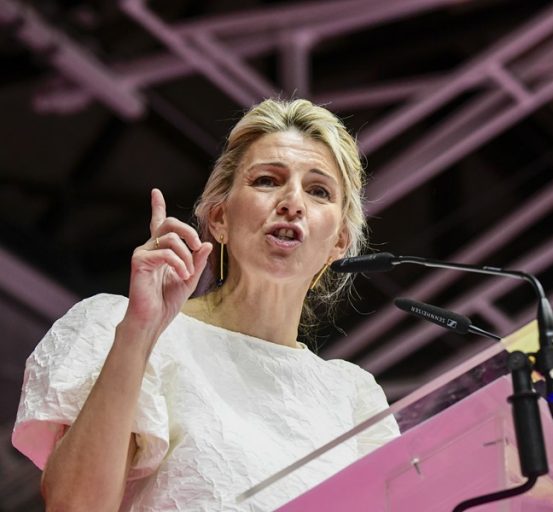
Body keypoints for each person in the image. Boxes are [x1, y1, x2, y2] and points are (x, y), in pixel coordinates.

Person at [12, 98, 400, 511]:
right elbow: (74, 506)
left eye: (318, 190)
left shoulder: (353, 396)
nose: (292, 202)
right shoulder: (124, 328)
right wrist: (140, 330)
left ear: (338, 242)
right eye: (267, 180)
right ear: (219, 219)